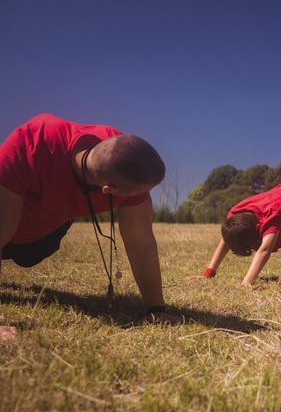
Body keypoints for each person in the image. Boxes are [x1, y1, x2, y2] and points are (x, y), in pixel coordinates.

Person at [0, 113, 183, 336]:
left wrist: (156, 310)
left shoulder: (122, 157)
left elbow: (140, 242)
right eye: (143, 192)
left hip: (39, 239)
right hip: (8, 225)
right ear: (109, 191)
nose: (146, 197)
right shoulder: (29, 145)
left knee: (29, 255)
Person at [198, 180, 281, 286]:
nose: (255, 248)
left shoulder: (272, 214)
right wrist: (208, 273)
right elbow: (226, 240)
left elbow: (265, 250)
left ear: (259, 227)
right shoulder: (235, 215)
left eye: (254, 245)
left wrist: (247, 281)